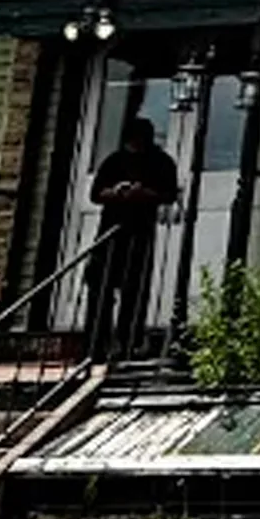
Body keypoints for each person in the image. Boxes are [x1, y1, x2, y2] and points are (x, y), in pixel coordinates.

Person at [86, 116, 182, 360]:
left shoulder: (160, 162)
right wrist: (117, 192)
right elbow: (96, 194)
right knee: (100, 288)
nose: (136, 145)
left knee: (134, 290)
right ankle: (95, 344)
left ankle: (129, 342)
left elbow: (169, 194)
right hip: (110, 230)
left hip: (140, 230)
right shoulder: (114, 161)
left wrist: (144, 193)